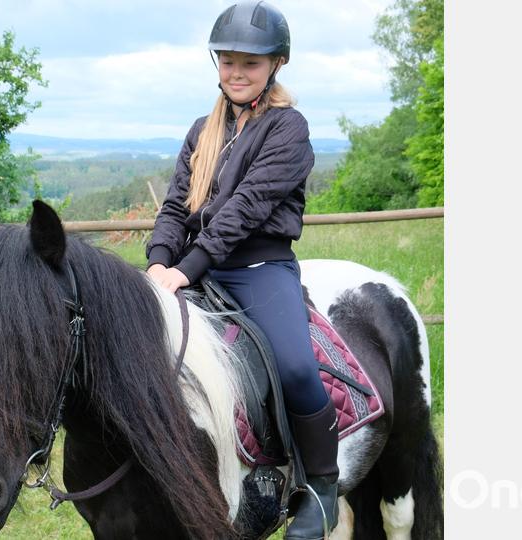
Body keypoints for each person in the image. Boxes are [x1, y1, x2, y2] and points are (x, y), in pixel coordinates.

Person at [145, 2, 339, 538]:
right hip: (192, 268)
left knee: (298, 368)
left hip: (259, 267)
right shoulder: (201, 130)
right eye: (227, 61)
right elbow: (174, 206)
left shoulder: (288, 129)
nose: (236, 72)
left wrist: (186, 269)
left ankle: (322, 488)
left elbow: (246, 208)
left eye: (249, 64)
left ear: (276, 64)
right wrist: (160, 262)